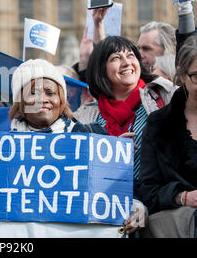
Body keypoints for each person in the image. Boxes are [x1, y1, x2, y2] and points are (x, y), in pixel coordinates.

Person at [0, 59, 107, 224]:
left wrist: (114, 153)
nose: (43, 99)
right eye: (32, 93)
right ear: (20, 103)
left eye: (50, 93)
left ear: (61, 100)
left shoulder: (91, 138)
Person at [73, 36, 176, 235]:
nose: (127, 62)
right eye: (116, 58)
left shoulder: (164, 98)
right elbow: (76, 171)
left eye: (131, 55)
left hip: (156, 210)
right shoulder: (85, 115)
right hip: (103, 215)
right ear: (101, 68)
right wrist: (108, 153)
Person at [139, 36, 197, 238]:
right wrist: (181, 197)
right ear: (182, 75)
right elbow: (148, 188)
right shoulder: (160, 123)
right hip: (176, 228)